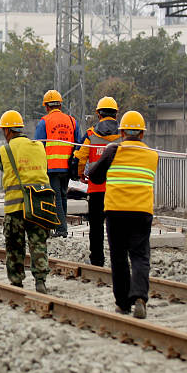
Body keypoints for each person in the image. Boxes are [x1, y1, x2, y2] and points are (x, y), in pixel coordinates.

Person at [84, 110, 158, 317]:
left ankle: (123, 303)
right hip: (141, 211)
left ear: (122, 132)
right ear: (142, 134)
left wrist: (108, 154)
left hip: (116, 211)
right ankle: (140, 297)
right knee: (140, 256)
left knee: (118, 257)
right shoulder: (152, 155)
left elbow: (94, 176)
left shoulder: (113, 151)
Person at [0, 109, 51, 293]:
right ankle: (40, 281)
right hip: (38, 205)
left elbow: (1, 166)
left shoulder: (4, 150)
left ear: (7, 131)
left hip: (15, 208)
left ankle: (16, 281)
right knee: (38, 243)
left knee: (14, 246)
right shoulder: (39, 146)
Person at [75, 97, 122, 269]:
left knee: (96, 227)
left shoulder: (91, 134)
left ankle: (97, 260)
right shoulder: (123, 135)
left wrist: (81, 174)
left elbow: (80, 156)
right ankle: (119, 260)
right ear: (116, 114)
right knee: (116, 227)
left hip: (96, 189)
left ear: (98, 114)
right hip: (117, 189)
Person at [34, 89, 82, 238]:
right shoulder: (72, 121)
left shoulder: (44, 122)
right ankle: (62, 227)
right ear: (60, 105)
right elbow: (79, 145)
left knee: (56, 198)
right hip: (67, 167)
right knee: (63, 196)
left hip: (52, 167)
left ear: (46, 107)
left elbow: (38, 147)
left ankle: (61, 229)